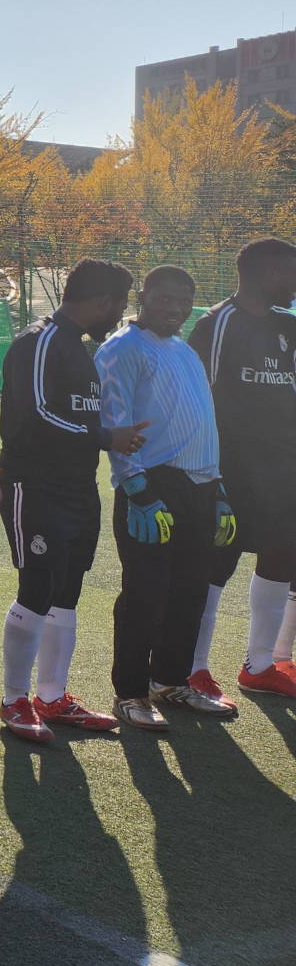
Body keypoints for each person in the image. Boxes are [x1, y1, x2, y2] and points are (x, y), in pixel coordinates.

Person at [0, 258, 147, 743]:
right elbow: (38, 414)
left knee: (67, 590)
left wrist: (108, 436)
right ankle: (14, 700)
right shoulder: (38, 341)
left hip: (78, 488)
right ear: (102, 301)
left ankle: (52, 697)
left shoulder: (79, 348)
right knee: (37, 587)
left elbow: (78, 418)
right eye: (120, 304)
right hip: (35, 485)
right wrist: (105, 438)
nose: (120, 314)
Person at [96, 265, 237, 731]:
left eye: (183, 301)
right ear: (144, 295)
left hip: (200, 488)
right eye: (165, 299)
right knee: (145, 593)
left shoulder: (185, 351)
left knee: (190, 590)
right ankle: (130, 692)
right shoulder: (121, 348)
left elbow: (205, 423)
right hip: (153, 485)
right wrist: (137, 489)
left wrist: (218, 488)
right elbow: (115, 422)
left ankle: (171, 681)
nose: (174, 309)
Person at [185, 237, 296, 701]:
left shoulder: (288, 325)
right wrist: (209, 475)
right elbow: (198, 401)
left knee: (283, 553)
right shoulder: (217, 324)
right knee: (217, 564)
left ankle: (260, 664)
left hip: (283, 470)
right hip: (230, 470)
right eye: (290, 272)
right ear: (269, 274)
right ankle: (193, 668)